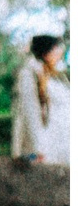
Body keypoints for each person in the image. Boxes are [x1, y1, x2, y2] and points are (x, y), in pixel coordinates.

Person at [11, 34, 68, 167]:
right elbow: (30, 112)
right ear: (45, 52)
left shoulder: (57, 76)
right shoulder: (29, 73)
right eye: (56, 48)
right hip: (49, 142)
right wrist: (39, 148)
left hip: (64, 139)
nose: (60, 52)